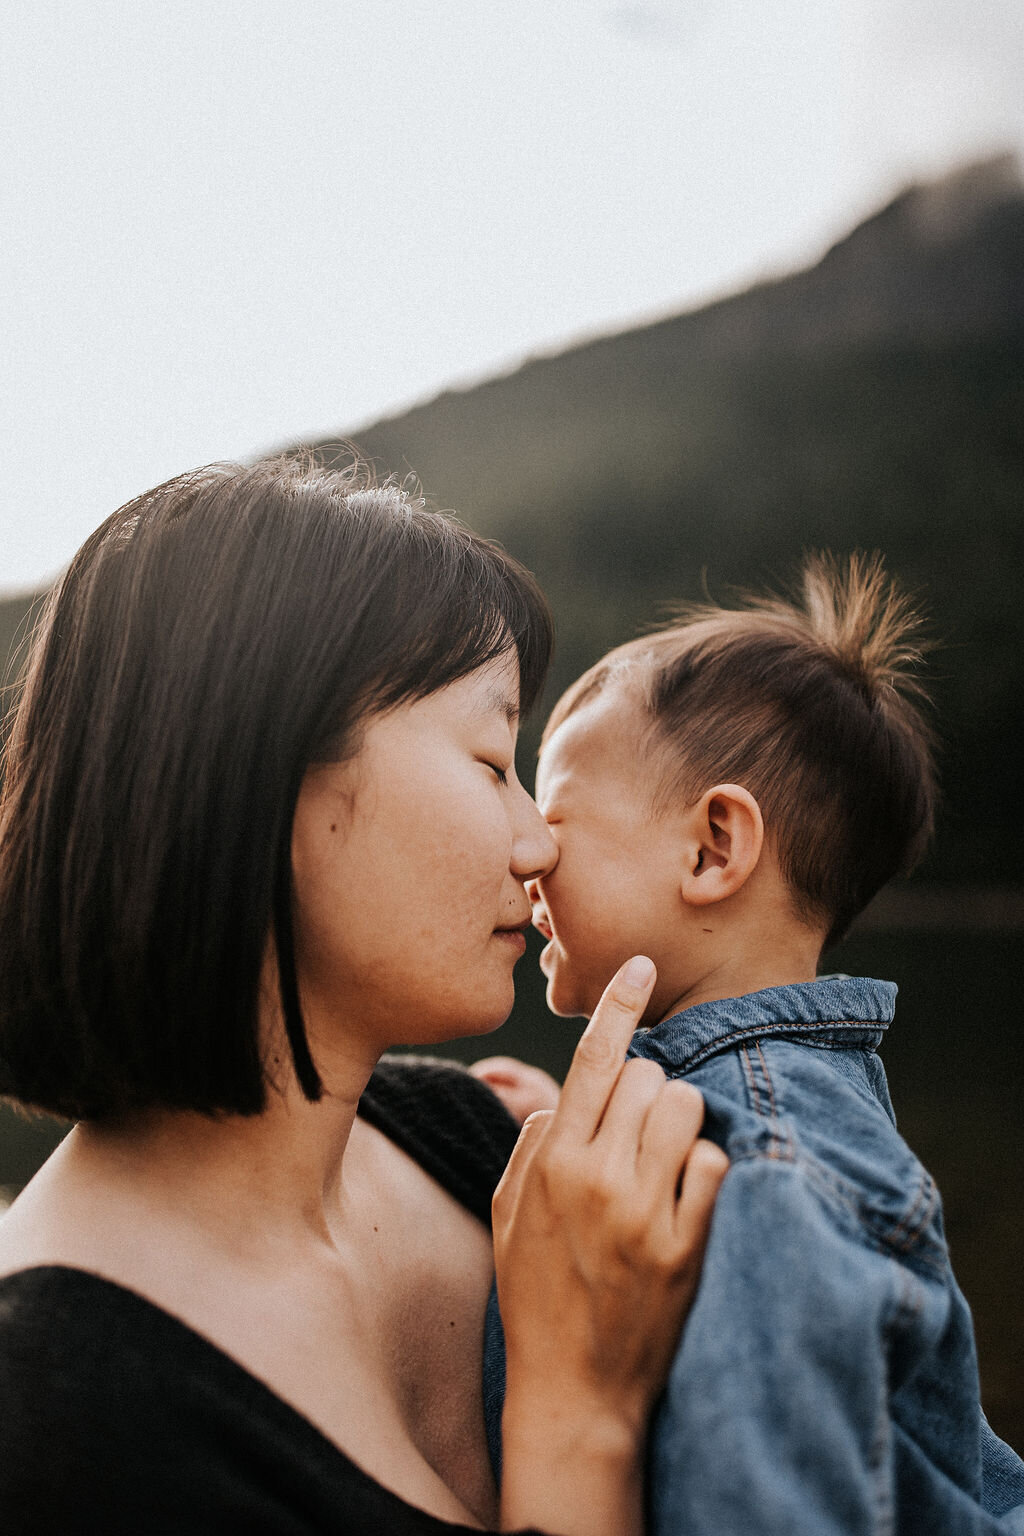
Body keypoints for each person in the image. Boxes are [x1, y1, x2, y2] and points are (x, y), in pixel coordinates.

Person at [0, 457, 728, 1536]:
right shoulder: (53, 1420)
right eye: (492, 761)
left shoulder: (471, 1135)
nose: (536, 844)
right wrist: (582, 1418)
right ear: (269, 782)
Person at [483, 553, 1024, 1534]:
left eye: (558, 824)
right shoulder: (787, 1110)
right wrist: (567, 1126)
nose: (529, 859)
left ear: (711, 849)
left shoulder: (766, 1171)